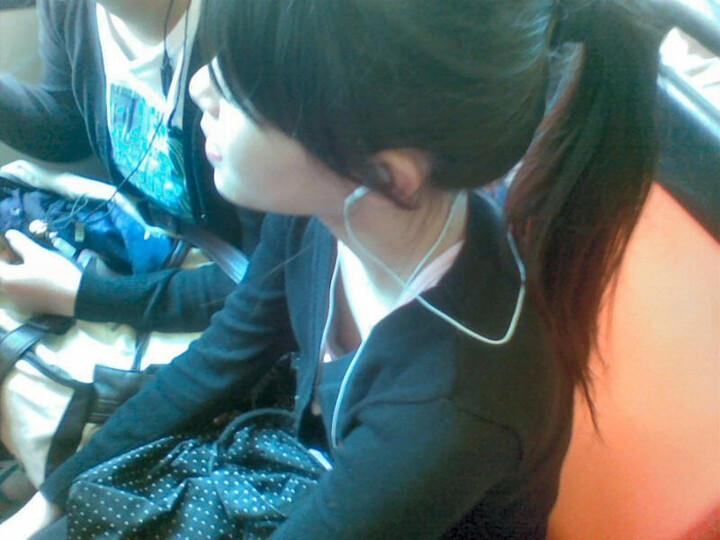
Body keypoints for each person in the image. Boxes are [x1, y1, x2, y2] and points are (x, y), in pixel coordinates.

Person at [1, 0, 662, 537]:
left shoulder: (453, 403)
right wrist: (42, 507)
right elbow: (219, 359)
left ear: (383, 175)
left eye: (245, 88)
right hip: (307, 461)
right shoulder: (320, 211)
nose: (202, 86)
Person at [0, 0, 263, 333]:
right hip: (151, 244)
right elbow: (69, 129)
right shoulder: (69, 8)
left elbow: (267, 277)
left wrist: (82, 296)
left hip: (226, 281)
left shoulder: (254, 26)